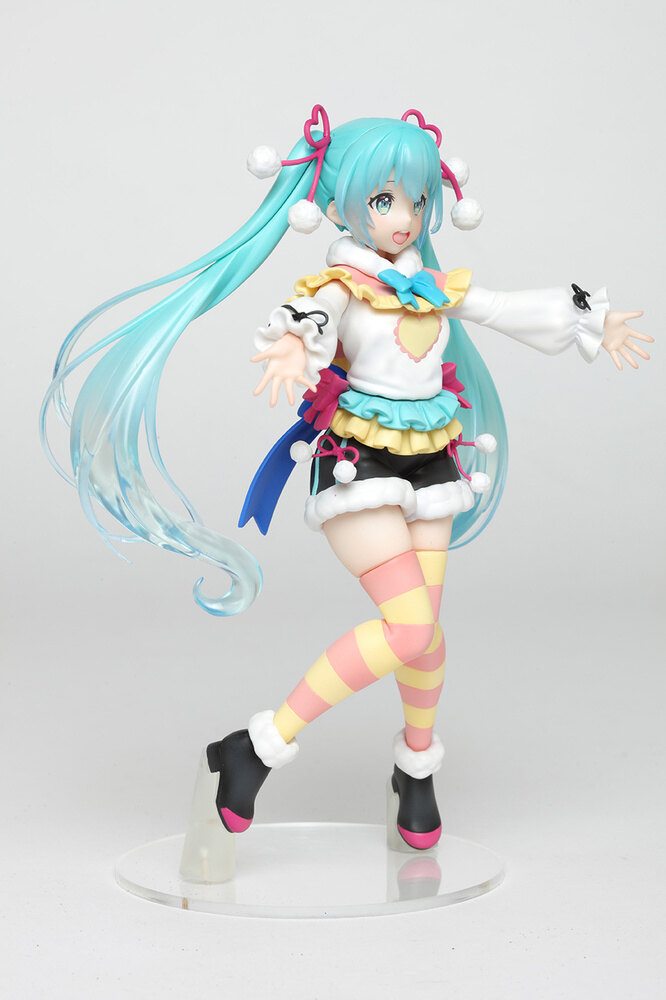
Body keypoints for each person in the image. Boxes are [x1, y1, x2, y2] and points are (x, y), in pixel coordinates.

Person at [41, 106, 651, 850]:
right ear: (341, 205)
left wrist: (592, 320)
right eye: (384, 200)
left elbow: (503, 308)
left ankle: (415, 770)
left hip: (432, 459)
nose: (405, 218)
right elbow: (309, 313)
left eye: (417, 200)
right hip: (358, 462)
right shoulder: (341, 284)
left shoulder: (430, 284)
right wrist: (292, 345)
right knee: (410, 626)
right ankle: (258, 747)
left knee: (423, 637)